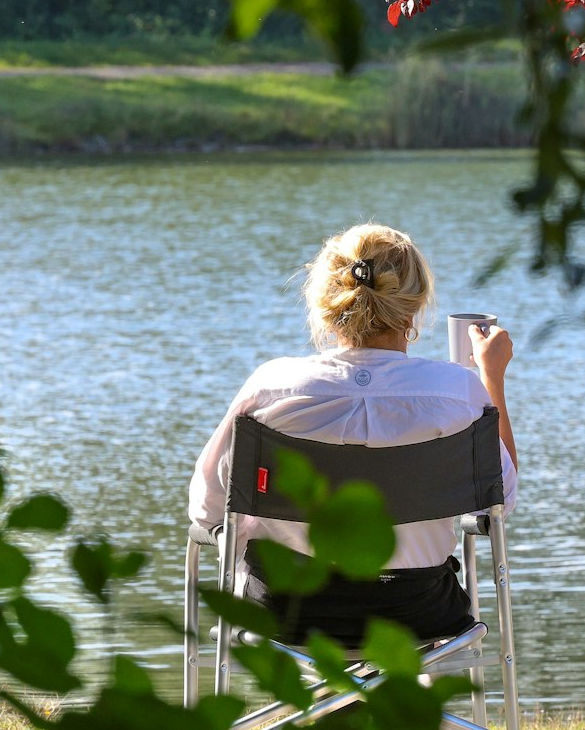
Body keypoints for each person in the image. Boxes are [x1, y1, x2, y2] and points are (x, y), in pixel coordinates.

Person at [189, 223, 519, 648]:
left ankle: (331, 706)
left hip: (288, 614)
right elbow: (499, 503)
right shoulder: (458, 392)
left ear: (326, 305)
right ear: (414, 309)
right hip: (417, 613)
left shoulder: (272, 389)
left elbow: (208, 509)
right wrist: (491, 379)